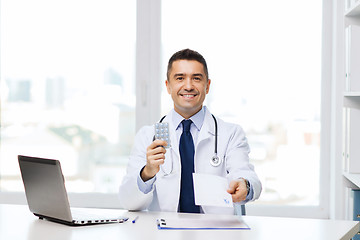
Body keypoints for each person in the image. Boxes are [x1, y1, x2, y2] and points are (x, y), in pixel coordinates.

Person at [118, 48, 261, 214]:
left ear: (207, 86)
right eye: (180, 78)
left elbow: (248, 176)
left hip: (216, 233)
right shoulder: (147, 136)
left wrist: (245, 185)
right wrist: (147, 172)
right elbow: (129, 202)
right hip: (164, 234)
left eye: (196, 78)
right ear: (168, 86)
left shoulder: (231, 134)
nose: (188, 86)